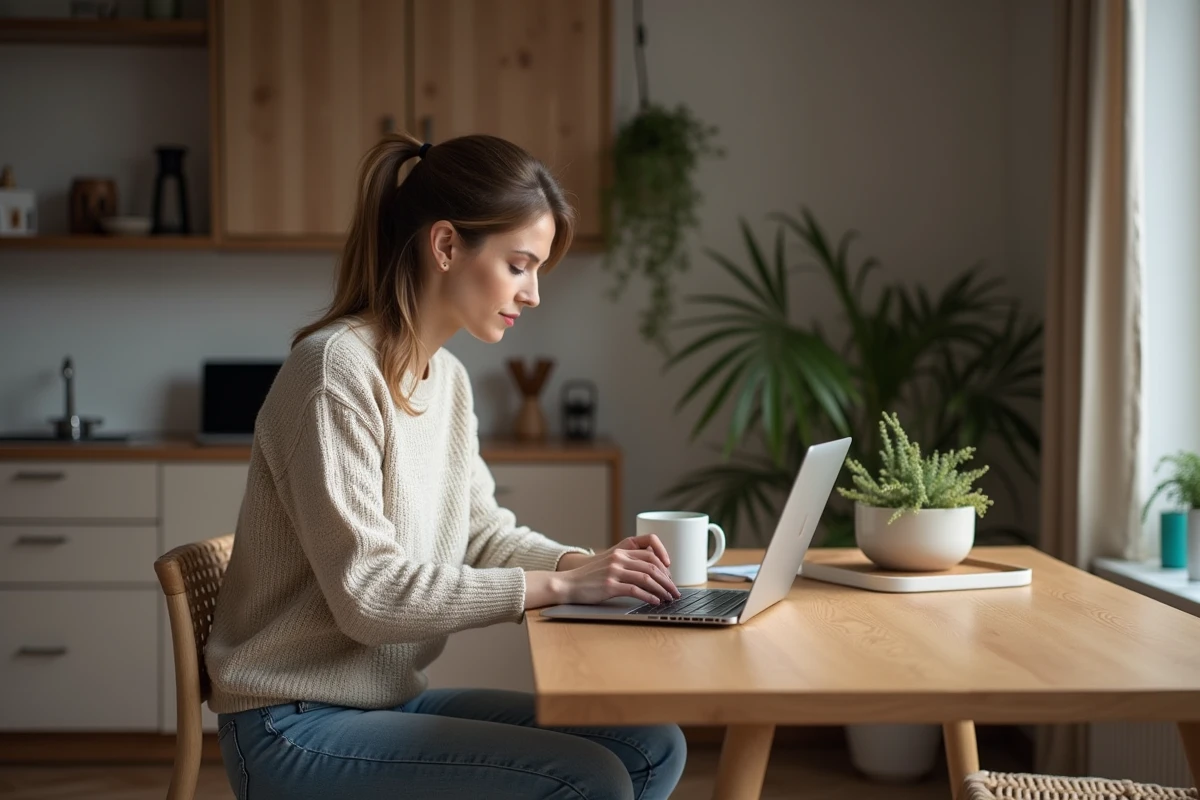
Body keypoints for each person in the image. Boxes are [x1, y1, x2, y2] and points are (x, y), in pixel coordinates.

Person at [205, 133, 687, 800]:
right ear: (446, 246)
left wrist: (588, 566)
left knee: (650, 746)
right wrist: (558, 591)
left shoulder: (449, 381)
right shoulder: (334, 371)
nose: (534, 294)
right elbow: (368, 596)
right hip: (291, 724)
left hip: (383, 703)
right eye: (520, 265)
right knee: (595, 779)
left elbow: (482, 533)